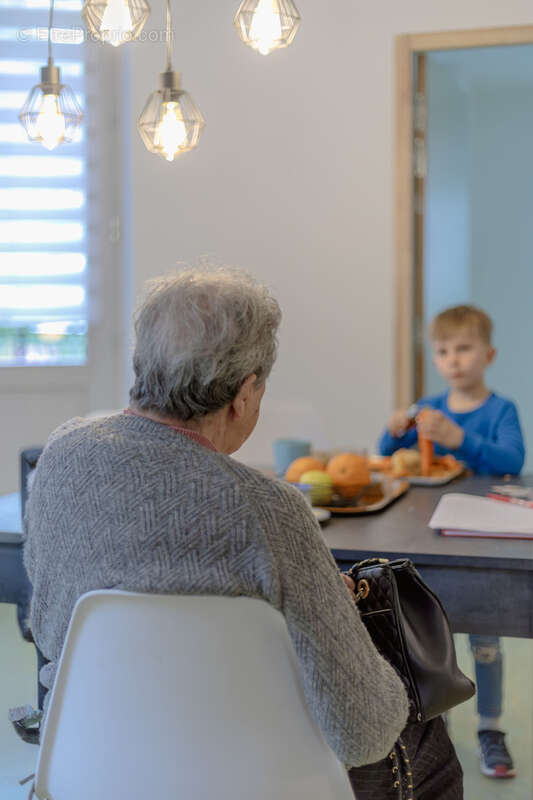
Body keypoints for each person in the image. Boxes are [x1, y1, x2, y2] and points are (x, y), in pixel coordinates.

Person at [21, 267, 462, 798]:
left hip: (91, 760)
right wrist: (334, 610)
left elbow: (50, 631)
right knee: (424, 736)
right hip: (251, 777)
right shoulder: (272, 509)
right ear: (245, 393)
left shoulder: (61, 455)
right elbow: (364, 733)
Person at [378, 304, 525, 780]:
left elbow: (511, 460)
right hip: (430, 537)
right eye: (443, 351)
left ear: (489, 354)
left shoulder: (501, 410)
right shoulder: (429, 407)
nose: (453, 359)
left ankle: (491, 727)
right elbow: (386, 453)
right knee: (429, 634)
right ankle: (433, 727)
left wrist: (460, 437)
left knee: (485, 637)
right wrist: (395, 426)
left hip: (480, 539)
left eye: (464, 349)